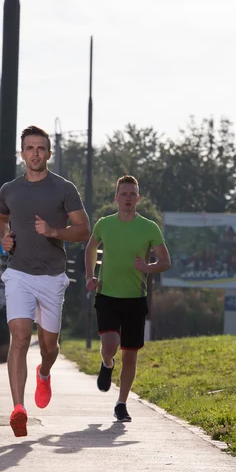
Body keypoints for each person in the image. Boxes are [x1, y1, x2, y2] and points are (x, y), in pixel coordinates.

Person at [0, 125, 90, 437]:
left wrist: (54, 232)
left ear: (48, 152)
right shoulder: (10, 189)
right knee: (19, 337)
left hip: (52, 277)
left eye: (41, 148)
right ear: (22, 154)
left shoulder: (63, 189)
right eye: (30, 148)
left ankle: (44, 372)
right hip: (19, 273)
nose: (36, 153)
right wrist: (3, 238)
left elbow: (84, 230)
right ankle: (18, 408)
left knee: (49, 345)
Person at [85, 175, 171, 422]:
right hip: (107, 294)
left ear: (138, 198)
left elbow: (165, 262)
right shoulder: (104, 224)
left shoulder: (149, 228)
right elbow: (91, 248)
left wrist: (147, 267)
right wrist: (90, 276)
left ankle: (121, 403)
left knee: (130, 354)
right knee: (110, 344)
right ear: (116, 198)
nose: (128, 198)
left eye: (132, 194)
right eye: (123, 194)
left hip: (135, 298)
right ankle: (107, 363)